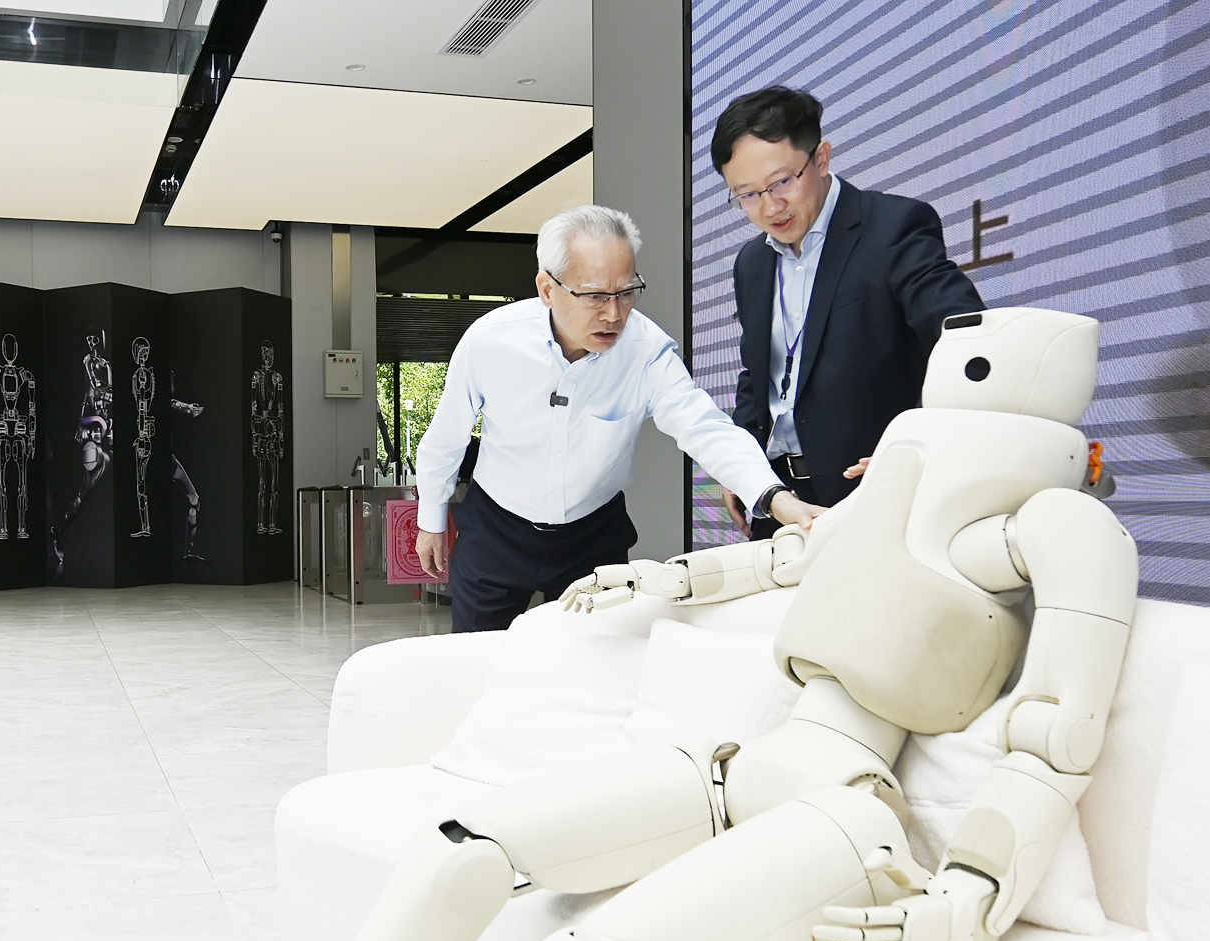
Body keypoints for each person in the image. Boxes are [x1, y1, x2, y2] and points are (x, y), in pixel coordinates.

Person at [413, 204, 819, 632]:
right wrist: (431, 521)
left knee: (594, 662)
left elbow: (704, 427)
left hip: (591, 538)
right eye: (594, 296)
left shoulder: (646, 351)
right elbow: (447, 437)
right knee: (478, 659)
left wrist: (776, 497)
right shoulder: (490, 342)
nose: (614, 314)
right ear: (547, 288)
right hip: (496, 531)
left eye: (626, 292)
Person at [713, 86, 985, 538]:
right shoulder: (752, 263)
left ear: (821, 158)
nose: (770, 207)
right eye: (747, 195)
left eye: (782, 182)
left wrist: (915, 449)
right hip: (779, 501)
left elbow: (965, 347)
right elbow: (758, 377)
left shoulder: (892, 229)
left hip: (873, 494)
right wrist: (742, 466)